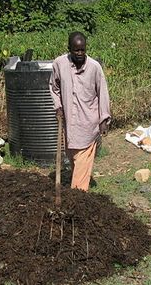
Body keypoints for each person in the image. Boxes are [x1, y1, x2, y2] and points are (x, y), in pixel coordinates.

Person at [49, 31, 111, 191]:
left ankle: (77, 195)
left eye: (83, 49)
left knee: (82, 161)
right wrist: (58, 106)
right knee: (74, 157)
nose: (80, 53)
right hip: (69, 122)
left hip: (88, 123)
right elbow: (54, 86)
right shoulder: (59, 64)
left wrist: (104, 119)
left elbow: (102, 92)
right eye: (76, 50)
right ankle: (79, 182)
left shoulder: (94, 67)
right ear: (69, 48)